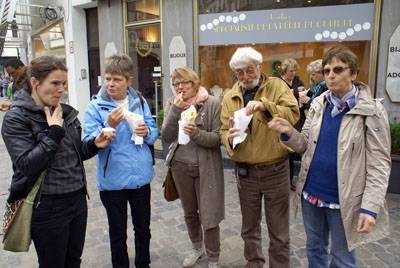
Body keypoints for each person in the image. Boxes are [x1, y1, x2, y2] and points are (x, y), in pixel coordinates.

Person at [268, 47, 391, 268]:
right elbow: (303, 144)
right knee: (314, 250)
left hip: (345, 201)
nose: (331, 75)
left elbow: (379, 165)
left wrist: (370, 208)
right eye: (326, 70)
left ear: (353, 73)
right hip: (312, 196)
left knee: (343, 259)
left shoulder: (371, 110)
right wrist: (288, 131)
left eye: (338, 69)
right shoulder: (318, 103)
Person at [1, 55, 115, 267]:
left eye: (63, 83)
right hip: (47, 205)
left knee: (73, 260)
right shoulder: (17, 118)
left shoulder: (64, 112)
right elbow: (27, 165)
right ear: (34, 83)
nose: (61, 89)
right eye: (54, 83)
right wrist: (54, 132)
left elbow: (75, 154)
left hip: (77, 199)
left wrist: (94, 144)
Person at [220, 47, 300, 268]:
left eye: (249, 70)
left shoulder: (277, 86)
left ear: (259, 67)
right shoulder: (230, 96)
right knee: (249, 228)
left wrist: (266, 107)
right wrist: (230, 137)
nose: (245, 77)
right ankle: (254, 262)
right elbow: (222, 130)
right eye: (240, 72)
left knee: (279, 230)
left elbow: (293, 114)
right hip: (246, 172)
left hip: (276, 169)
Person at [83, 54, 158, 268]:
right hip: (112, 181)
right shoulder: (95, 107)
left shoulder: (140, 101)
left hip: (140, 177)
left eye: (116, 79)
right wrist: (107, 125)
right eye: (107, 79)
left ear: (129, 81)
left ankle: (143, 264)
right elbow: (89, 141)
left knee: (143, 229)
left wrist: (147, 132)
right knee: (117, 234)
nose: (110, 84)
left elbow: (153, 132)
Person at [162, 67, 224, 268]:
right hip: (180, 166)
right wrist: (175, 112)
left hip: (206, 167)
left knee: (209, 214)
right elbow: (167, 136)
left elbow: (218, 138)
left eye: (184, 82)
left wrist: (197, 134)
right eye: (176, 83)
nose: (180, 87)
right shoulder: (172, 103)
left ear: (195, 83)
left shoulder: (212, 103)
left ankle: (213, 257)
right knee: (189, 212)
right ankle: (197, 248)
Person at [276, 58, 305, 190]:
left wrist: (301, 93)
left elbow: (308, 94)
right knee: (283, 150)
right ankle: (281, 181)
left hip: (297, 119)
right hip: (283, 118)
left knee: (292, 151)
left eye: (294, 70)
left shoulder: (298, 81)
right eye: (290, 71)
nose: (293, 73)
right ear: (284, 71)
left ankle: (290, 181)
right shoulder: (277, 82)